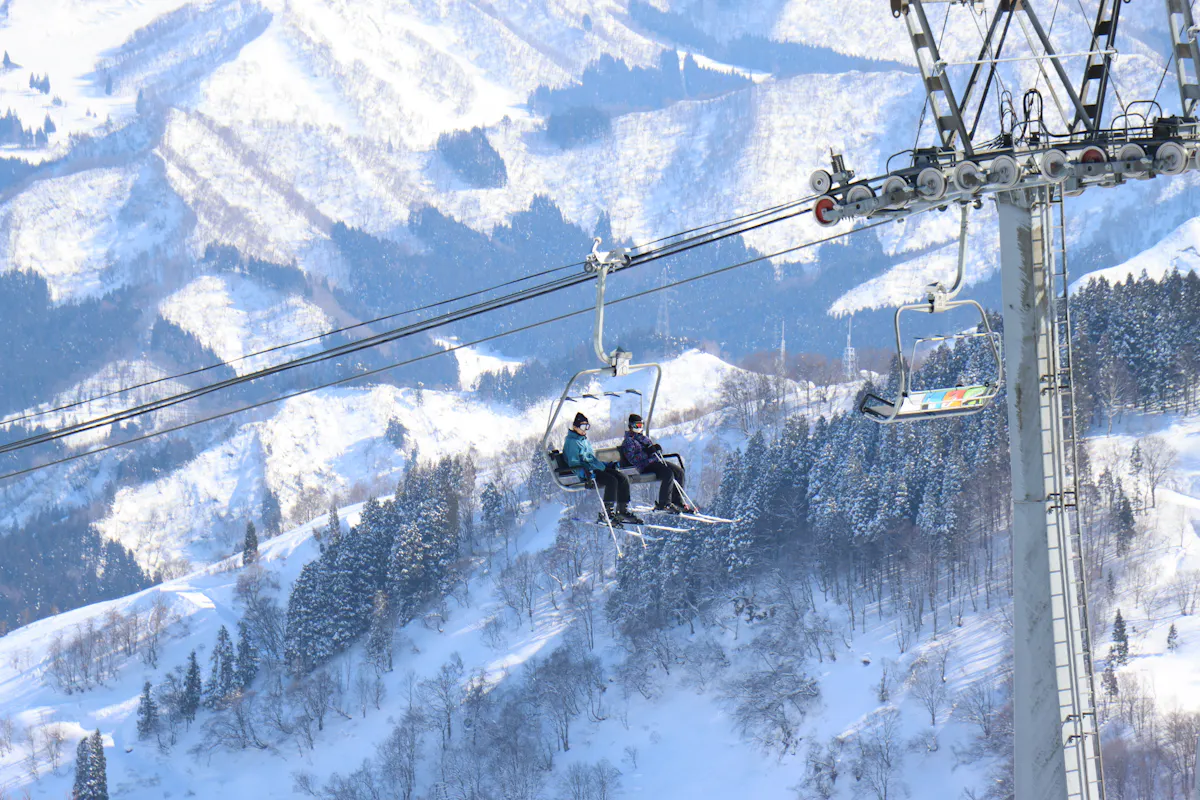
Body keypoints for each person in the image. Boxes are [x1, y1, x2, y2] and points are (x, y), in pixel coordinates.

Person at [562, 413, 643, 525]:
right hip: (588, 472)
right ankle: (607, 513)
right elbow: (574, 463)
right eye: (582, 427)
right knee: (612, 481)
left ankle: (622, 510)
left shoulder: (583, 440)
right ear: (575, 427)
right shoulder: (572, 442)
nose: (585, 429)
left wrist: (607, 465)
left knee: (622, 478)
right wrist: (586, 475)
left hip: (595, 468)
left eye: (587, 426)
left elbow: (592, 459)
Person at [620, 414, 695, 513]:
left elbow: (650, 449)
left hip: (655, 461)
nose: (639, 428)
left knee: (679, 471)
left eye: (641, 425)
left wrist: (655, 449)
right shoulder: (628, 442)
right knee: (668, 474)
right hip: (645, 465)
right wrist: (647, 452)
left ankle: (677, 500)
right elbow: (632, 459)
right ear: (631, 426)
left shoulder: (643, 438)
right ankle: (664, 503)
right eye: (637, 426)